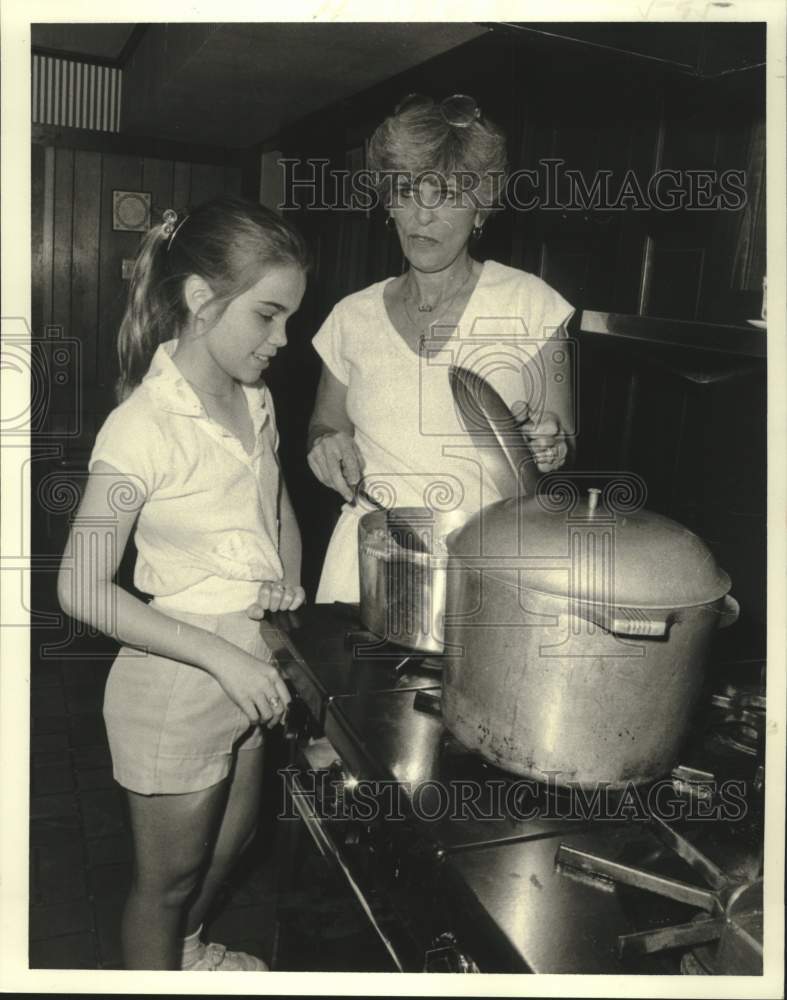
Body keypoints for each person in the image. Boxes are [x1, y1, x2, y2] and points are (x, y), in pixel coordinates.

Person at [57, 197, 309, 970]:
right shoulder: (143, 426)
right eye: (268, 315)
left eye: (291, 318)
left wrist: (285, 580)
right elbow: (81, 587)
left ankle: (190, 956)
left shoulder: (253, 396)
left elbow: (274, 500)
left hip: (250, 662)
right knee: (164, 884)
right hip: (177, 678)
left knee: (227, 850)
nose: (283, 340)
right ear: (201, 300)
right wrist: (222, 657)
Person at [307, 94, 575, 603]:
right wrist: (325, 443)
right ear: (388, 201)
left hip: (487, 563)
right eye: (408, 192)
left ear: (481, 210)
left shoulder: (534, 305)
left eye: (447, 195)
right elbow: (325, 424)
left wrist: (552, 442)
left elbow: (560, 442)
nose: (423, 216)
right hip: (367, 560)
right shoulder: (350, 316)